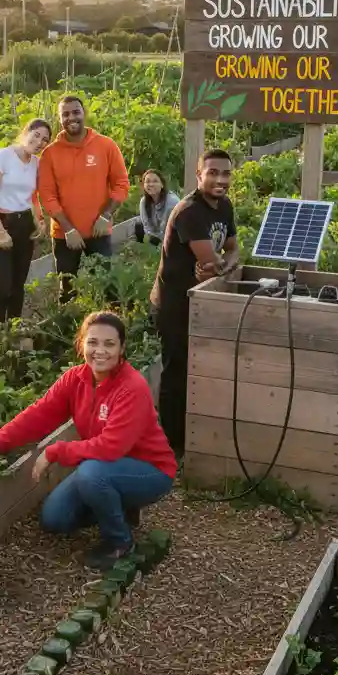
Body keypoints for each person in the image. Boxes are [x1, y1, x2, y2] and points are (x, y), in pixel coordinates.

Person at [0, 312, 175, 570]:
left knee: (91, 474)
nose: (100, 351)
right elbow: (37, 416)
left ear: (122, 348)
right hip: (105, 467)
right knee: (55, 519)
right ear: (82, 344)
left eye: (109, 344)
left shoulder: (131, 387)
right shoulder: (75, 379)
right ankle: (122, 505)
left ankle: (120, 543)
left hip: (150, 470)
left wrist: (56, 451)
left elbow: (111, 447)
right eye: (93, 342)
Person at [150, 149, 238, 455]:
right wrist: (221, 265)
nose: (220, 179)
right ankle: (170, 444)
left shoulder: (224, 206)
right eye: (212, 173)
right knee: (176, 373)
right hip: (175, 304)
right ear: (199, 175)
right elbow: (212, 260)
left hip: (200, 300)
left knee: (196, 369)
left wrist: (223, 265)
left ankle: (190, 435)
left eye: (225, 173)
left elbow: (232, 252)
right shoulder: (190, 212)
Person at [37, 95, 130, 302]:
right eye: (65, 114)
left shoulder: (106, 145)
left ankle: (109, 319)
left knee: (108, 285)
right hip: (65, 235)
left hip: (99, 230)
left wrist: (105, 216)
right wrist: (68, 229)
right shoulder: (50, 153)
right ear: (59, 118)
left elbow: (121, 184)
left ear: (84, 113)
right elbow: (47, 196)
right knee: (67, 289)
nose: (71, 118)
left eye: (75, 112)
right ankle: (70, 320)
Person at [0, 119, 51, 322]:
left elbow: (33, 196)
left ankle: (13, 329)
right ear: (25, 132)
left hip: (24, 224)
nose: (39, 142)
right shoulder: (2, 157)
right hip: (2, 221)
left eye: (45, 140)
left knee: (18, 285)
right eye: (36, 135)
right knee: (3, 287)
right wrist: (0, 231)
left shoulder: (36, 163)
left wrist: (40, 220)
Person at [135, 170, 180, 246]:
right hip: (156, 236)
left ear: (162, 185)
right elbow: (146, 226)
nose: (151, 184)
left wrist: (159, 241)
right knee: (138, 224)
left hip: (175, 236)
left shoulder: (172, 201)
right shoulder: (144, 201)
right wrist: (151, 237)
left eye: (155, 181)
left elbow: (168, 228)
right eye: (147, 181)